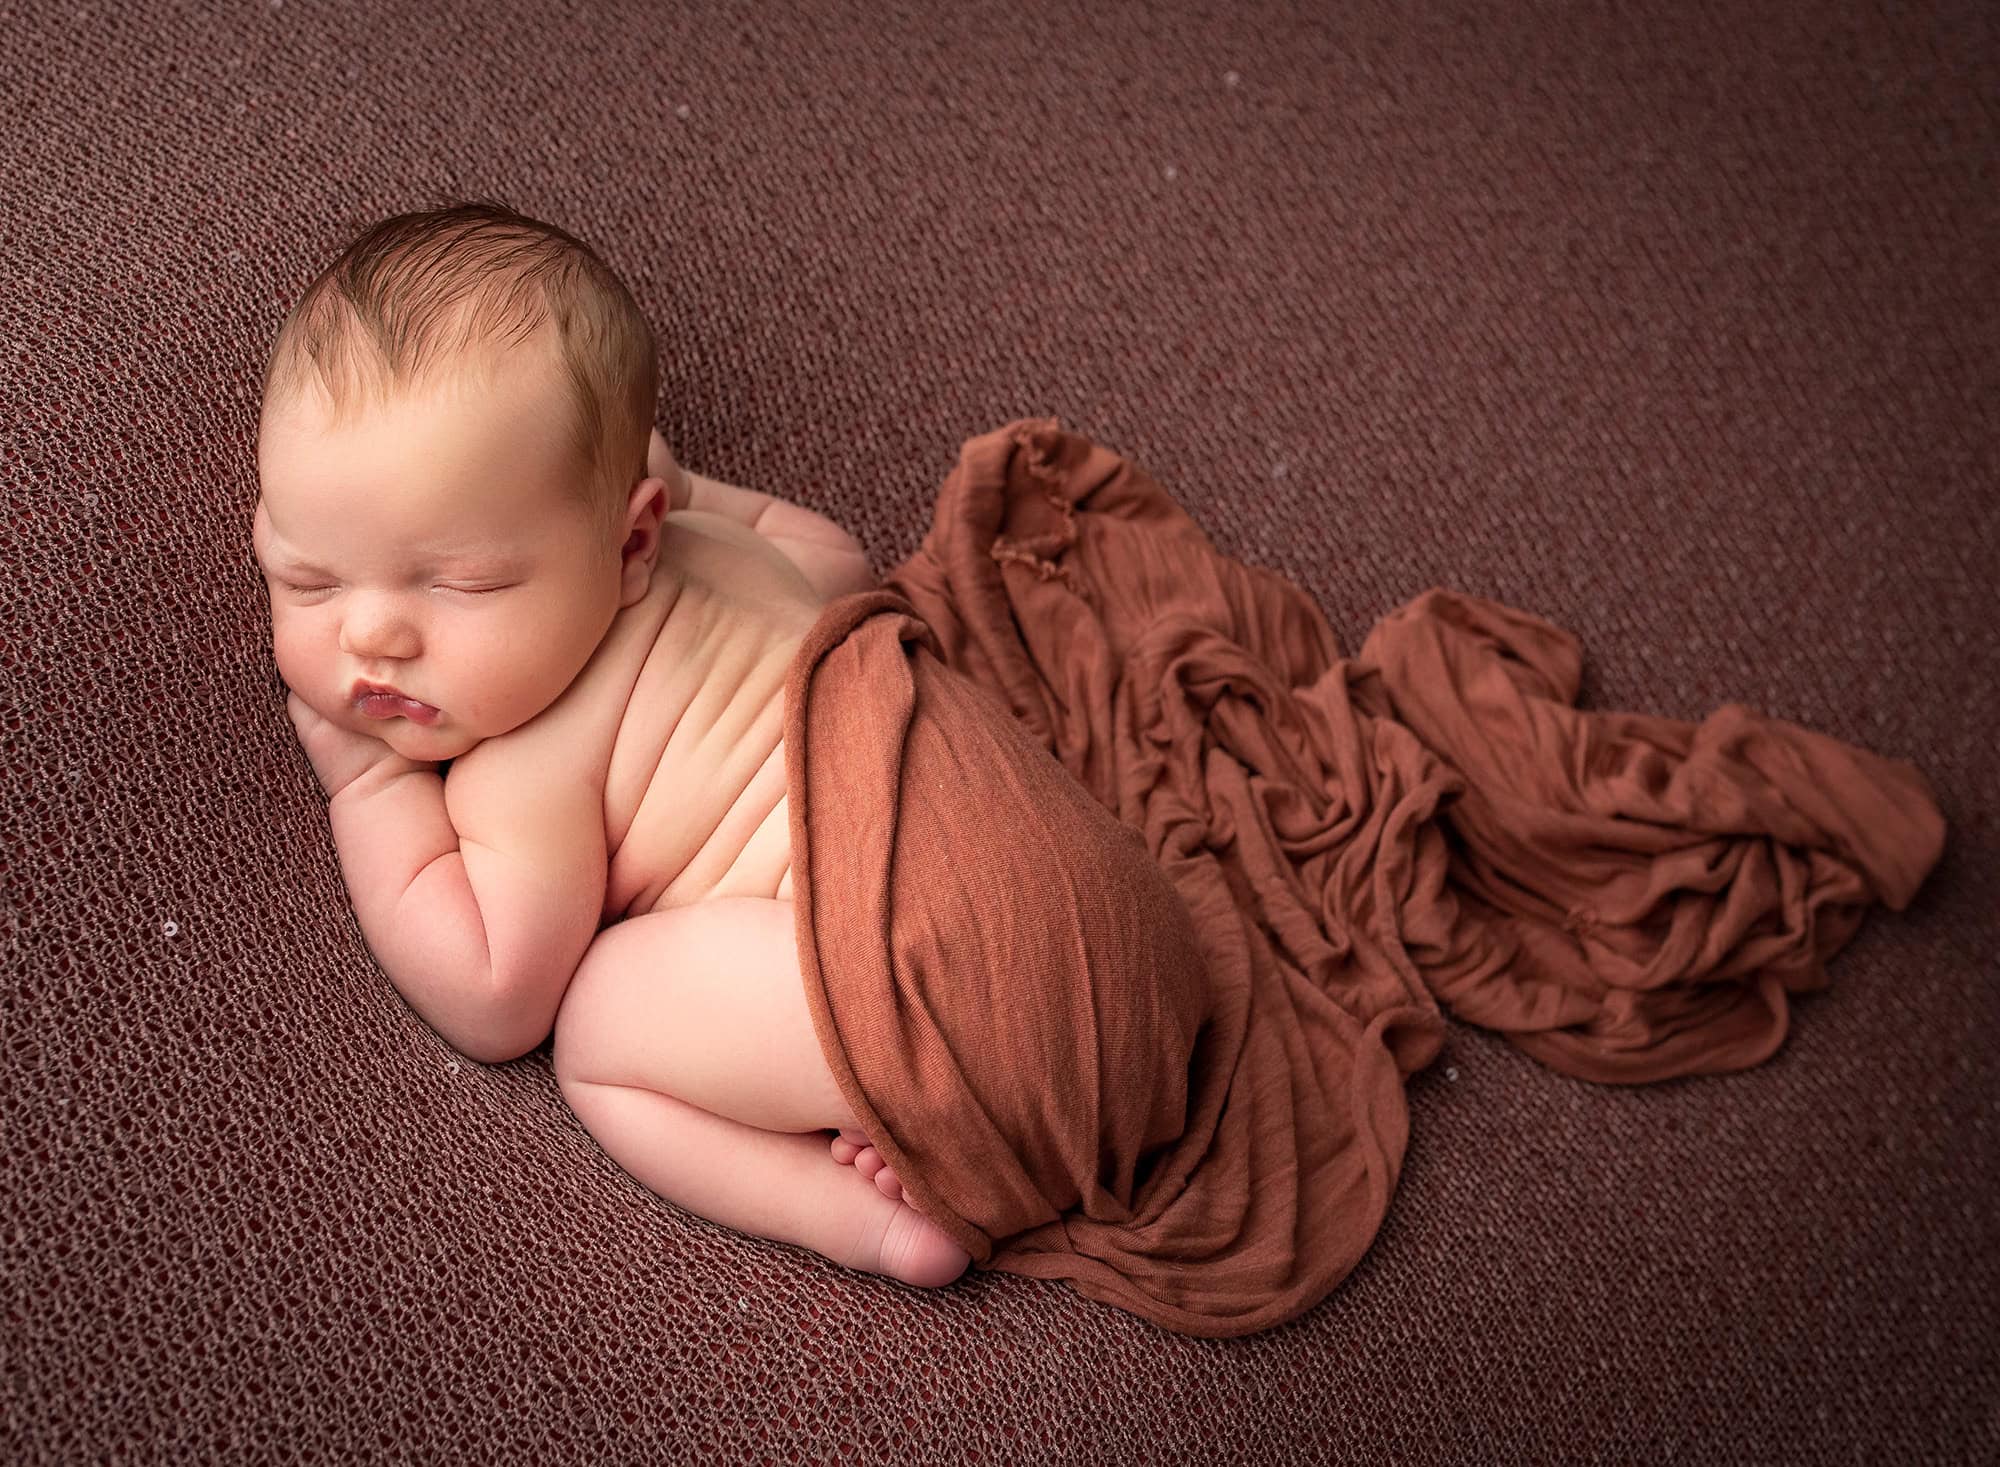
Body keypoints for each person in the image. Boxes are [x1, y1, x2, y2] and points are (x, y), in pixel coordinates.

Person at [253, 200, 972, 1288]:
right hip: (1031, 883)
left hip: (902, 992)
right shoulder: (742, 554)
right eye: (307, 578)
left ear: (635, 541)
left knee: (594, 1034)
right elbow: (837, 560)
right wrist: (689, 495)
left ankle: (867, 1226)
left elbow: (495, 996)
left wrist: (366, 785)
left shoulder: (524, 770)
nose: (372, 637)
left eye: (463, 584)